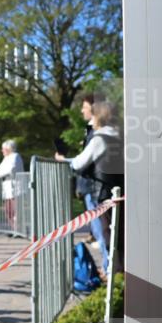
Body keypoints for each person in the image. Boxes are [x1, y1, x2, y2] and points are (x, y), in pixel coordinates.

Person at [55, 100, 123, 271]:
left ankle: (114, 274)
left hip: (104, 190)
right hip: (120, 189)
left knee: (108, 233)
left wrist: (65, 160)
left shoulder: (100, 138)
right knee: (120, 234)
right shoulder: (121, 135)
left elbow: (79, 163)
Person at [0, 139, 24, 234]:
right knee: (8, 211)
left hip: (15, 189)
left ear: (8, 149)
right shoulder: (7, 158)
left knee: (15, 212)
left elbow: (10, 169)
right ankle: (14, 230)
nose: (2, 151)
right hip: (8, 190)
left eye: (3, 149)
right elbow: (0, 168)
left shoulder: (15, 156)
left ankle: (18, 231)